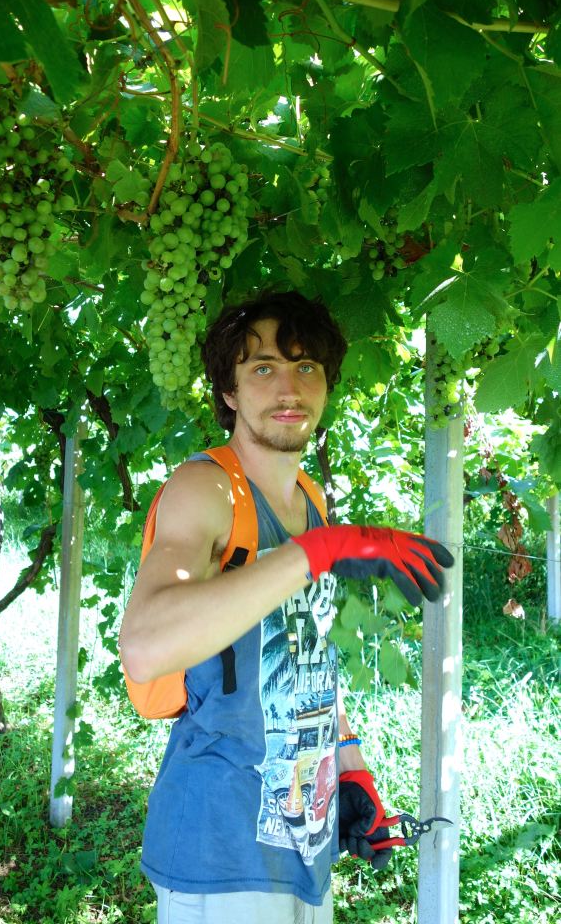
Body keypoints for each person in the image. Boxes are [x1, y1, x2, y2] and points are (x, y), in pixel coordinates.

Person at [120, 290, 453, 924]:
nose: (289, 388)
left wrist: (350, 766)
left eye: (306, 367)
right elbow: (143, 647)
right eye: (263, 368)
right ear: (229, 391)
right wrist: (317, 551)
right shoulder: (206, 488)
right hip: (220, 848)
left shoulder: (309, 497)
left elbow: (308, 655)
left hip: (305, 836)